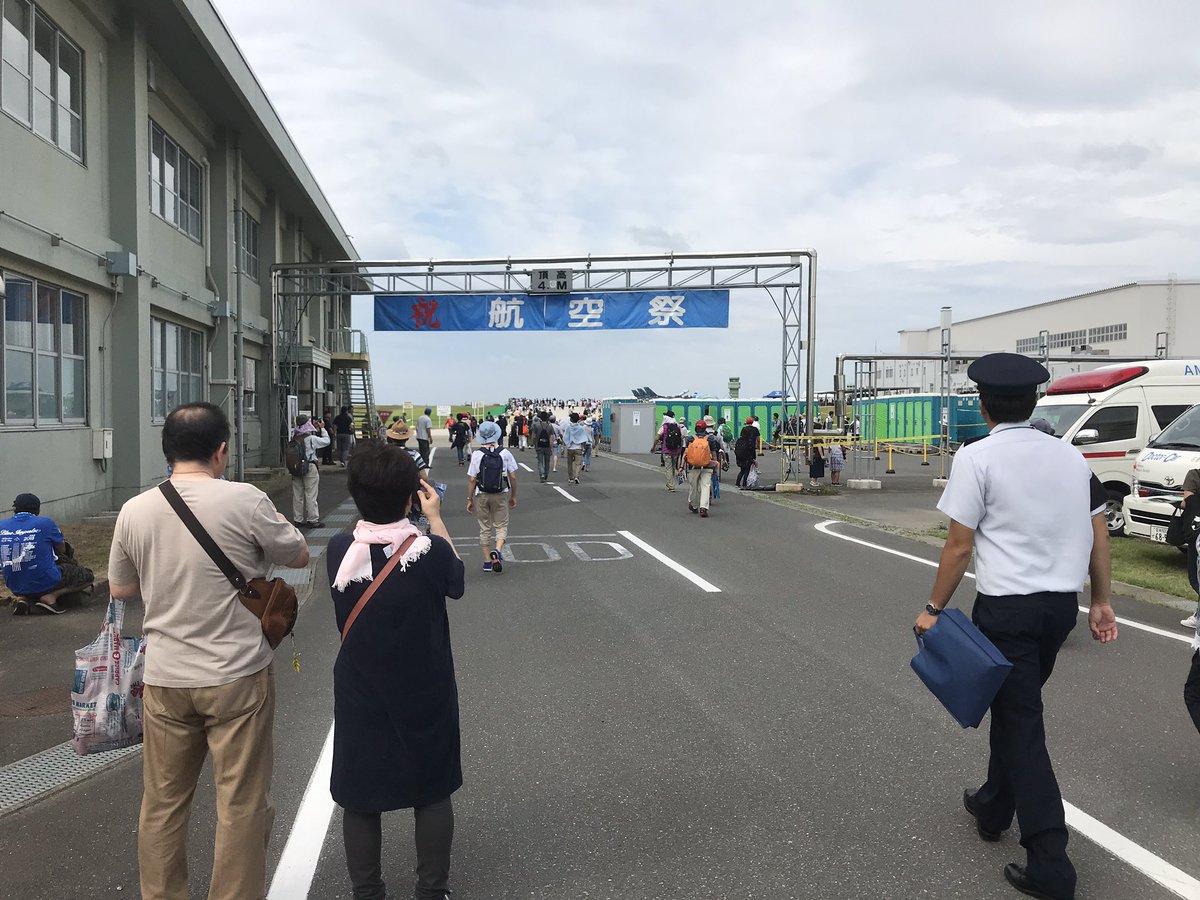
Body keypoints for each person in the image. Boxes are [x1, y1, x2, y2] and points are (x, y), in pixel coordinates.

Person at [913, 353, 1117, 900]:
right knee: (1015, 708)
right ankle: (993, 804)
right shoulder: (1071, 458)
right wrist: (1101, 601)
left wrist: (932, 609)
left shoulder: (977, 457)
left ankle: (1051, 862)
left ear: (982, 405)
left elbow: (959, 545)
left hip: (1007, 611)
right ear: (1035, 402)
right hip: (1058, 611)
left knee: (1022, 724)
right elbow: (1099, 531)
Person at [108, 402, 309, 900]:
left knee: (162, 803)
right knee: (240, 803)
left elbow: (120, 590)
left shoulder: (135, 510)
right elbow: (300, 553)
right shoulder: (245, 499)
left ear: (167, 451)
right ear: (222, 451)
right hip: (237, 675)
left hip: (166, 678)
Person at [327, 442, 465, 900]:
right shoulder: (429, 552)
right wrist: (437, 518)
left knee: (360, 794)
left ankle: (368, 892)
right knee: (431, 788)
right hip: (424, 686)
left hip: (360, 688)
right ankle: (432, 891)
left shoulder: (339, 550)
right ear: (412, 495)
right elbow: (457, 581)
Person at [1, 493, 93, 614]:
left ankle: (23, 598)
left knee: (24, 570)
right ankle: (51, 596)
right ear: (37, 509)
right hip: (45, 581)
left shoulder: (2, 525)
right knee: (87, 575)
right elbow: (62, 549)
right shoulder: (45, 523)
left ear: (15, 509)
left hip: (14, 584)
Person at [466, 421, 518, 573]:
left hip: (481, 494)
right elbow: (513, 476)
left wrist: (469, 499)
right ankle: (498, 550)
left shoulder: (477, 454)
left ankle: (487, 561)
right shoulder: (505, 453)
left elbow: (471, 479)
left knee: (485, 526)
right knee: (501, 525)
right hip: (501, 493)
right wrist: (513, 495)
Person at [292, 414, 331, 528]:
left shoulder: (294, 438)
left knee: (297, 495)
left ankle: (297, 519)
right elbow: (326, 441)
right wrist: (322, 428)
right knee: (310, 494)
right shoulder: (311, 439)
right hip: (309, 468)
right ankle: (312, 519)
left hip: (296, 468)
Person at [682, 419, 721, 517]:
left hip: (693, 466)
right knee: (706, 486)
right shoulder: (710, 439)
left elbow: (685, 454)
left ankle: (693, 505)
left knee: (693, 486)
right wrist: (715, 464)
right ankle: (703, 508)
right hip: (707, 466)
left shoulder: (690, 439)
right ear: (705, 429)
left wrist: (681, 466)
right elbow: (713, 454)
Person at [651, 411, 685, 492]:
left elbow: (657, 437)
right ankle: (670, 483)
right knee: (673, 467)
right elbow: (681, 438)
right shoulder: (677, 426)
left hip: (667, 450)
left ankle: (671, 485)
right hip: (676, 451)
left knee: (668, 468)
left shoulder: (664, 426)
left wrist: (653, 447)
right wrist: (680, 448)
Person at [563, 412, 590, 485]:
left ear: (571, 419)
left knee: (569, 464)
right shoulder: (581, 428)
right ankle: (576, 477)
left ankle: (570, 478)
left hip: (570, 448)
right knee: (578, 464)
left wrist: (567, 444)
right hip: (578, 448)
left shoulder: (568, 427)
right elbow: (584, 439)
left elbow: (565, 437)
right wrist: (584, 447)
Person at [531, 412, 555, 483]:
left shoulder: (536, 425)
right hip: (547, 446)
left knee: (540, 461)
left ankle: (541, 474)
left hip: (539, 445)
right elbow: (551, 438)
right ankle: (546, 474)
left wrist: (535, 444)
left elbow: (533, 436)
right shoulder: (550, 426)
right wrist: (551, 447)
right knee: (547, 462)